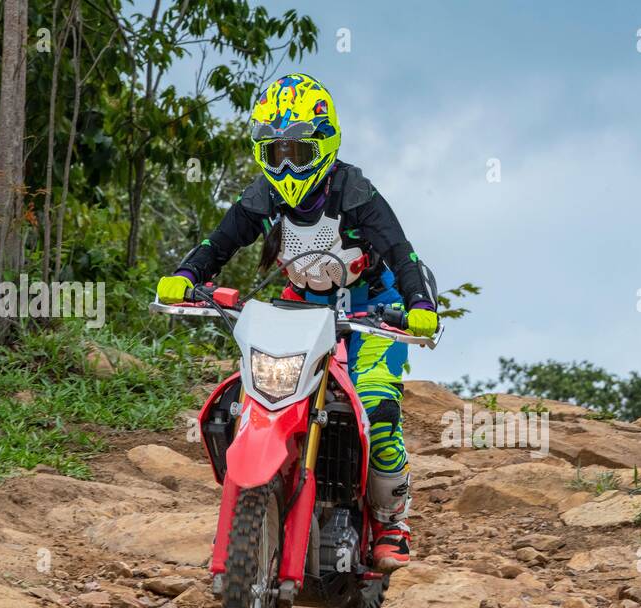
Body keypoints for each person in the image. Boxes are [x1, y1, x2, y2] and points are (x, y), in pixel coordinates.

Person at [157, 73, 438, 571]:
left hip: (371, 307)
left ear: (324, 146)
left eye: (298, 153)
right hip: (300, 307)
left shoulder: (354, 192)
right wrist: (185, 275)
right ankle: (266, 495)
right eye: (274, 153)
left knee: (375, 407)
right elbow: (218, 245)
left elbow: (400, 250)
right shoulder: (263, 198)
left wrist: (419, 304)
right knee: (258, 397)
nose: (286, 165)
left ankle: (392, 520)